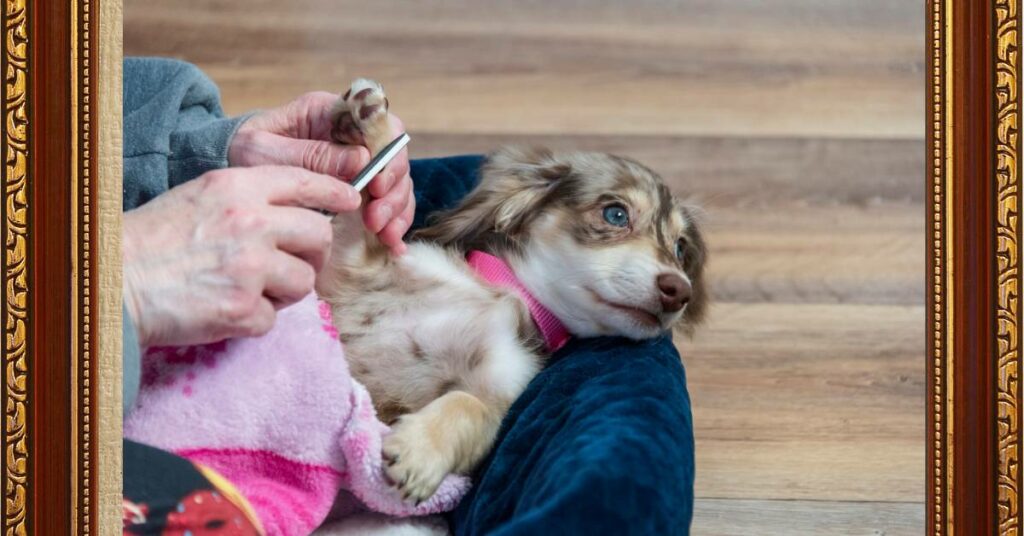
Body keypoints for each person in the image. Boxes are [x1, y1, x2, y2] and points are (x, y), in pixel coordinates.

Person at [123, 57, 695, 535]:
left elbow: (478, 414)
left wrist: (443, 435)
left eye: (676, 250)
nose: (672, 278)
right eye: (616, 217)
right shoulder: (428, 262)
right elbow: (344, 264)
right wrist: (364, 157)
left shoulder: (515, 365)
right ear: (526, 206)